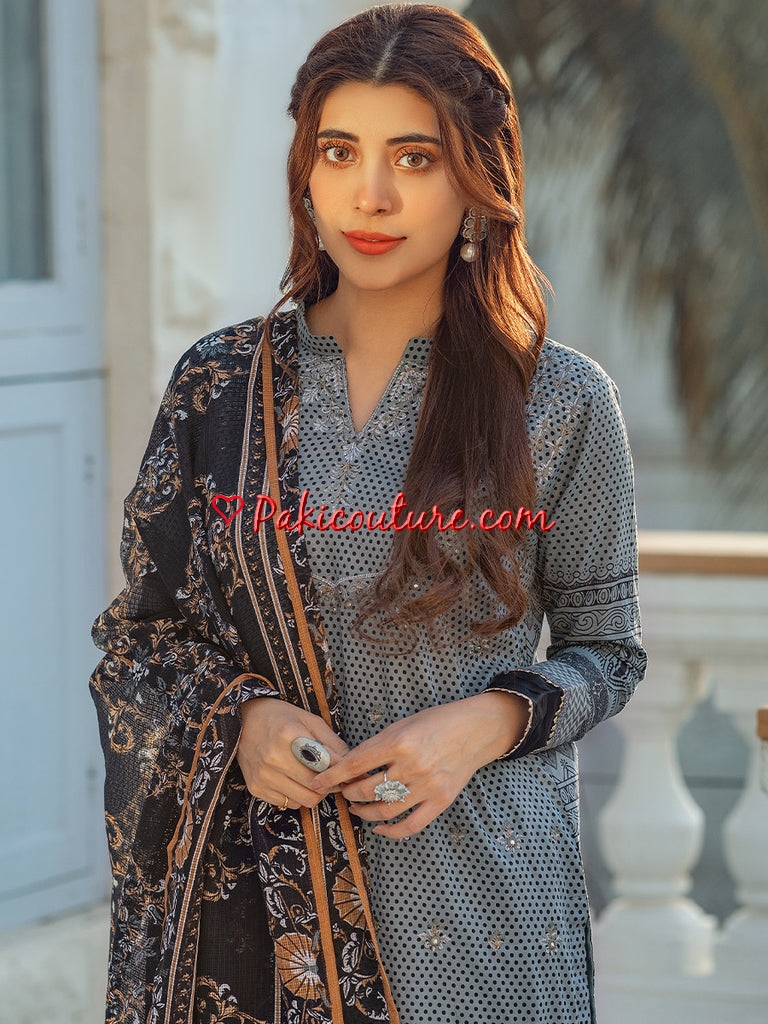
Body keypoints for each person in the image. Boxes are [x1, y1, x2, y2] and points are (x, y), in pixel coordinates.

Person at [90, 5, 646, 1023]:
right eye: (340, 150)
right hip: (258, 917)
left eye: (415, 158)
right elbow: (143, 639)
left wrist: (484, 724)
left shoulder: (557, 400)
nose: (371, 194)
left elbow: (609, 650)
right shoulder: (221, 386)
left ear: (477, 182)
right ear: (305, 171)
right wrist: (243, 719)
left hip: (483, 912)